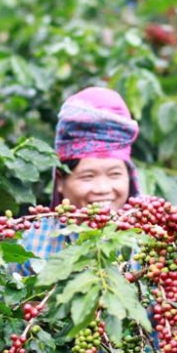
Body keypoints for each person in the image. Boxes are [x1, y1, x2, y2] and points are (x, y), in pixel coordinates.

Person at [17, 87, 141, 274]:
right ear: (60, 181)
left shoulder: (150, 239)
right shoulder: (30, 245)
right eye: (88, 176)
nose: (102, 188)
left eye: (115, 174)